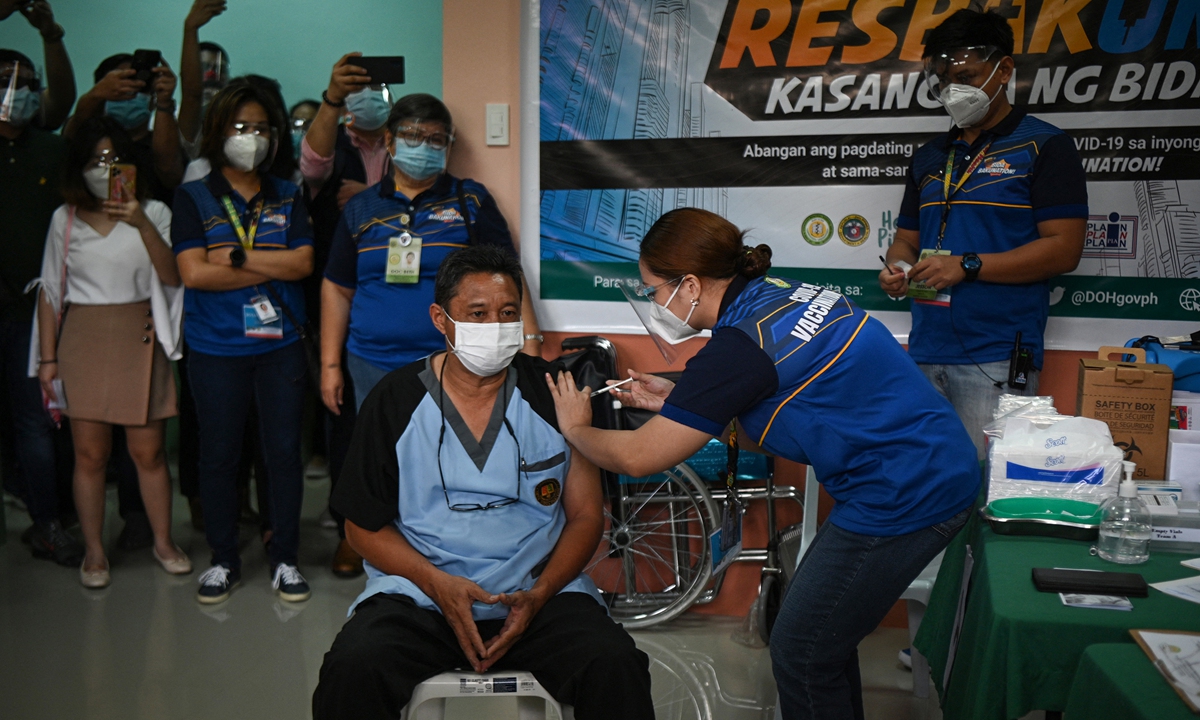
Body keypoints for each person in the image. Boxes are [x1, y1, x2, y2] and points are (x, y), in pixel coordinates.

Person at [545, 208, 979, 720]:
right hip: (932, 463)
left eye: (652, 290)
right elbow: (777, 401)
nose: (652, 302)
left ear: (688, 284)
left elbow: (641, 458)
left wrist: (575, 429)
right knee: (819, 645)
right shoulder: (778, 292)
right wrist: (682, 403)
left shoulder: (735, 348)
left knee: (802, 648)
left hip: (906, 492)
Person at [312, 245, 654, 720]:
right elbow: (361, 527)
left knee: (616, 665)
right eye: (478, 313)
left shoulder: (555, 392)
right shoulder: (395, 401)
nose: (495, 326)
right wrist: (437, 584)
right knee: (352, 669)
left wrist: (539, 594)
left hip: (536, 596)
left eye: (508, 312)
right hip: (421, 597)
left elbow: (584, 516)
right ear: (441, 319)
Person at [318, 92, 541, 577]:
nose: (424, 146)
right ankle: (357, 537)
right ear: (391, 141)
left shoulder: (470, 200)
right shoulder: (359, 209)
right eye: (414, 136)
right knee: (368, 451)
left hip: (451, 364)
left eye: (436, 138)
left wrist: (530, 344)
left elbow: (509, 277)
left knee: (442, 453)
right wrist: (330, 364)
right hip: (369, 359)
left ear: (449, 145)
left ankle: (433, 541)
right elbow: (337, 287)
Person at [879, 8, 1087, 457]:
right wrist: (896, 269)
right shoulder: (929, 156)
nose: (956, 90)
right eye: (944, 79)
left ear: (1004, 68)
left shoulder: (1045, 146)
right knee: (928, 493)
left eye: (969, 75)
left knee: (984, 494)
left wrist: (968, 266)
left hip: (997, 356)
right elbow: (906, 241)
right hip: (925, 351)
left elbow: (1064, 250)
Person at [31, 117, 190, 588]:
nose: (106, 167)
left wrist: (140, 220)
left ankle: (163, 541)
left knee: (150, 453)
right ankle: (95, 552)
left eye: (114, 158)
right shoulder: (67, 218)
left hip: (139, 334)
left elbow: (172, 276)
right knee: (90, 455)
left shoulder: (156, 211)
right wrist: (47, 359)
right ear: (79, 167)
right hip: (81, 338)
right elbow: (48, 292)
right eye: (96, 160)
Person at [172, 80, 315, 605]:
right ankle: (223, 558)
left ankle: (286, 558)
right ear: (218, 132)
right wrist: (262, 265)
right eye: (239, 127)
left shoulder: (288, 192)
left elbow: (301, 263)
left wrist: (231, 258)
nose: (250, 137)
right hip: (215, 347)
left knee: (281, 453)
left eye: (260, 128)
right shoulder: (194, 196)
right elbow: (193, 273)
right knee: (219, 455)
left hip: (280, 346)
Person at [0, 48, 83, 567]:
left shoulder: (52, 152)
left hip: (36, 313)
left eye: (27, 81)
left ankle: (50, 521)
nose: (17, 90)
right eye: (6, 79)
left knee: (36, 421)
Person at [64, 54, 185, 206]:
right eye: (121, 85)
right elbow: (70, 137)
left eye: (139, 86)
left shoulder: (160, 145)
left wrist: (165, 102)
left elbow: (170, 173)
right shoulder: (85, 140)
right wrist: (94, 96)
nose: (130, 93)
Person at [0, 1, 74, 130]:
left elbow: (60, 100)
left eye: (31, 84)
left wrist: (51, 35)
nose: (23, 92)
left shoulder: (37, 137)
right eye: (9, 80)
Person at [178, 0, 228, 159]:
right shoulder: (185, 121)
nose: (211, 76)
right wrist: (190, 29)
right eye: (204, 67)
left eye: (218, 68)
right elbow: (193, 95)